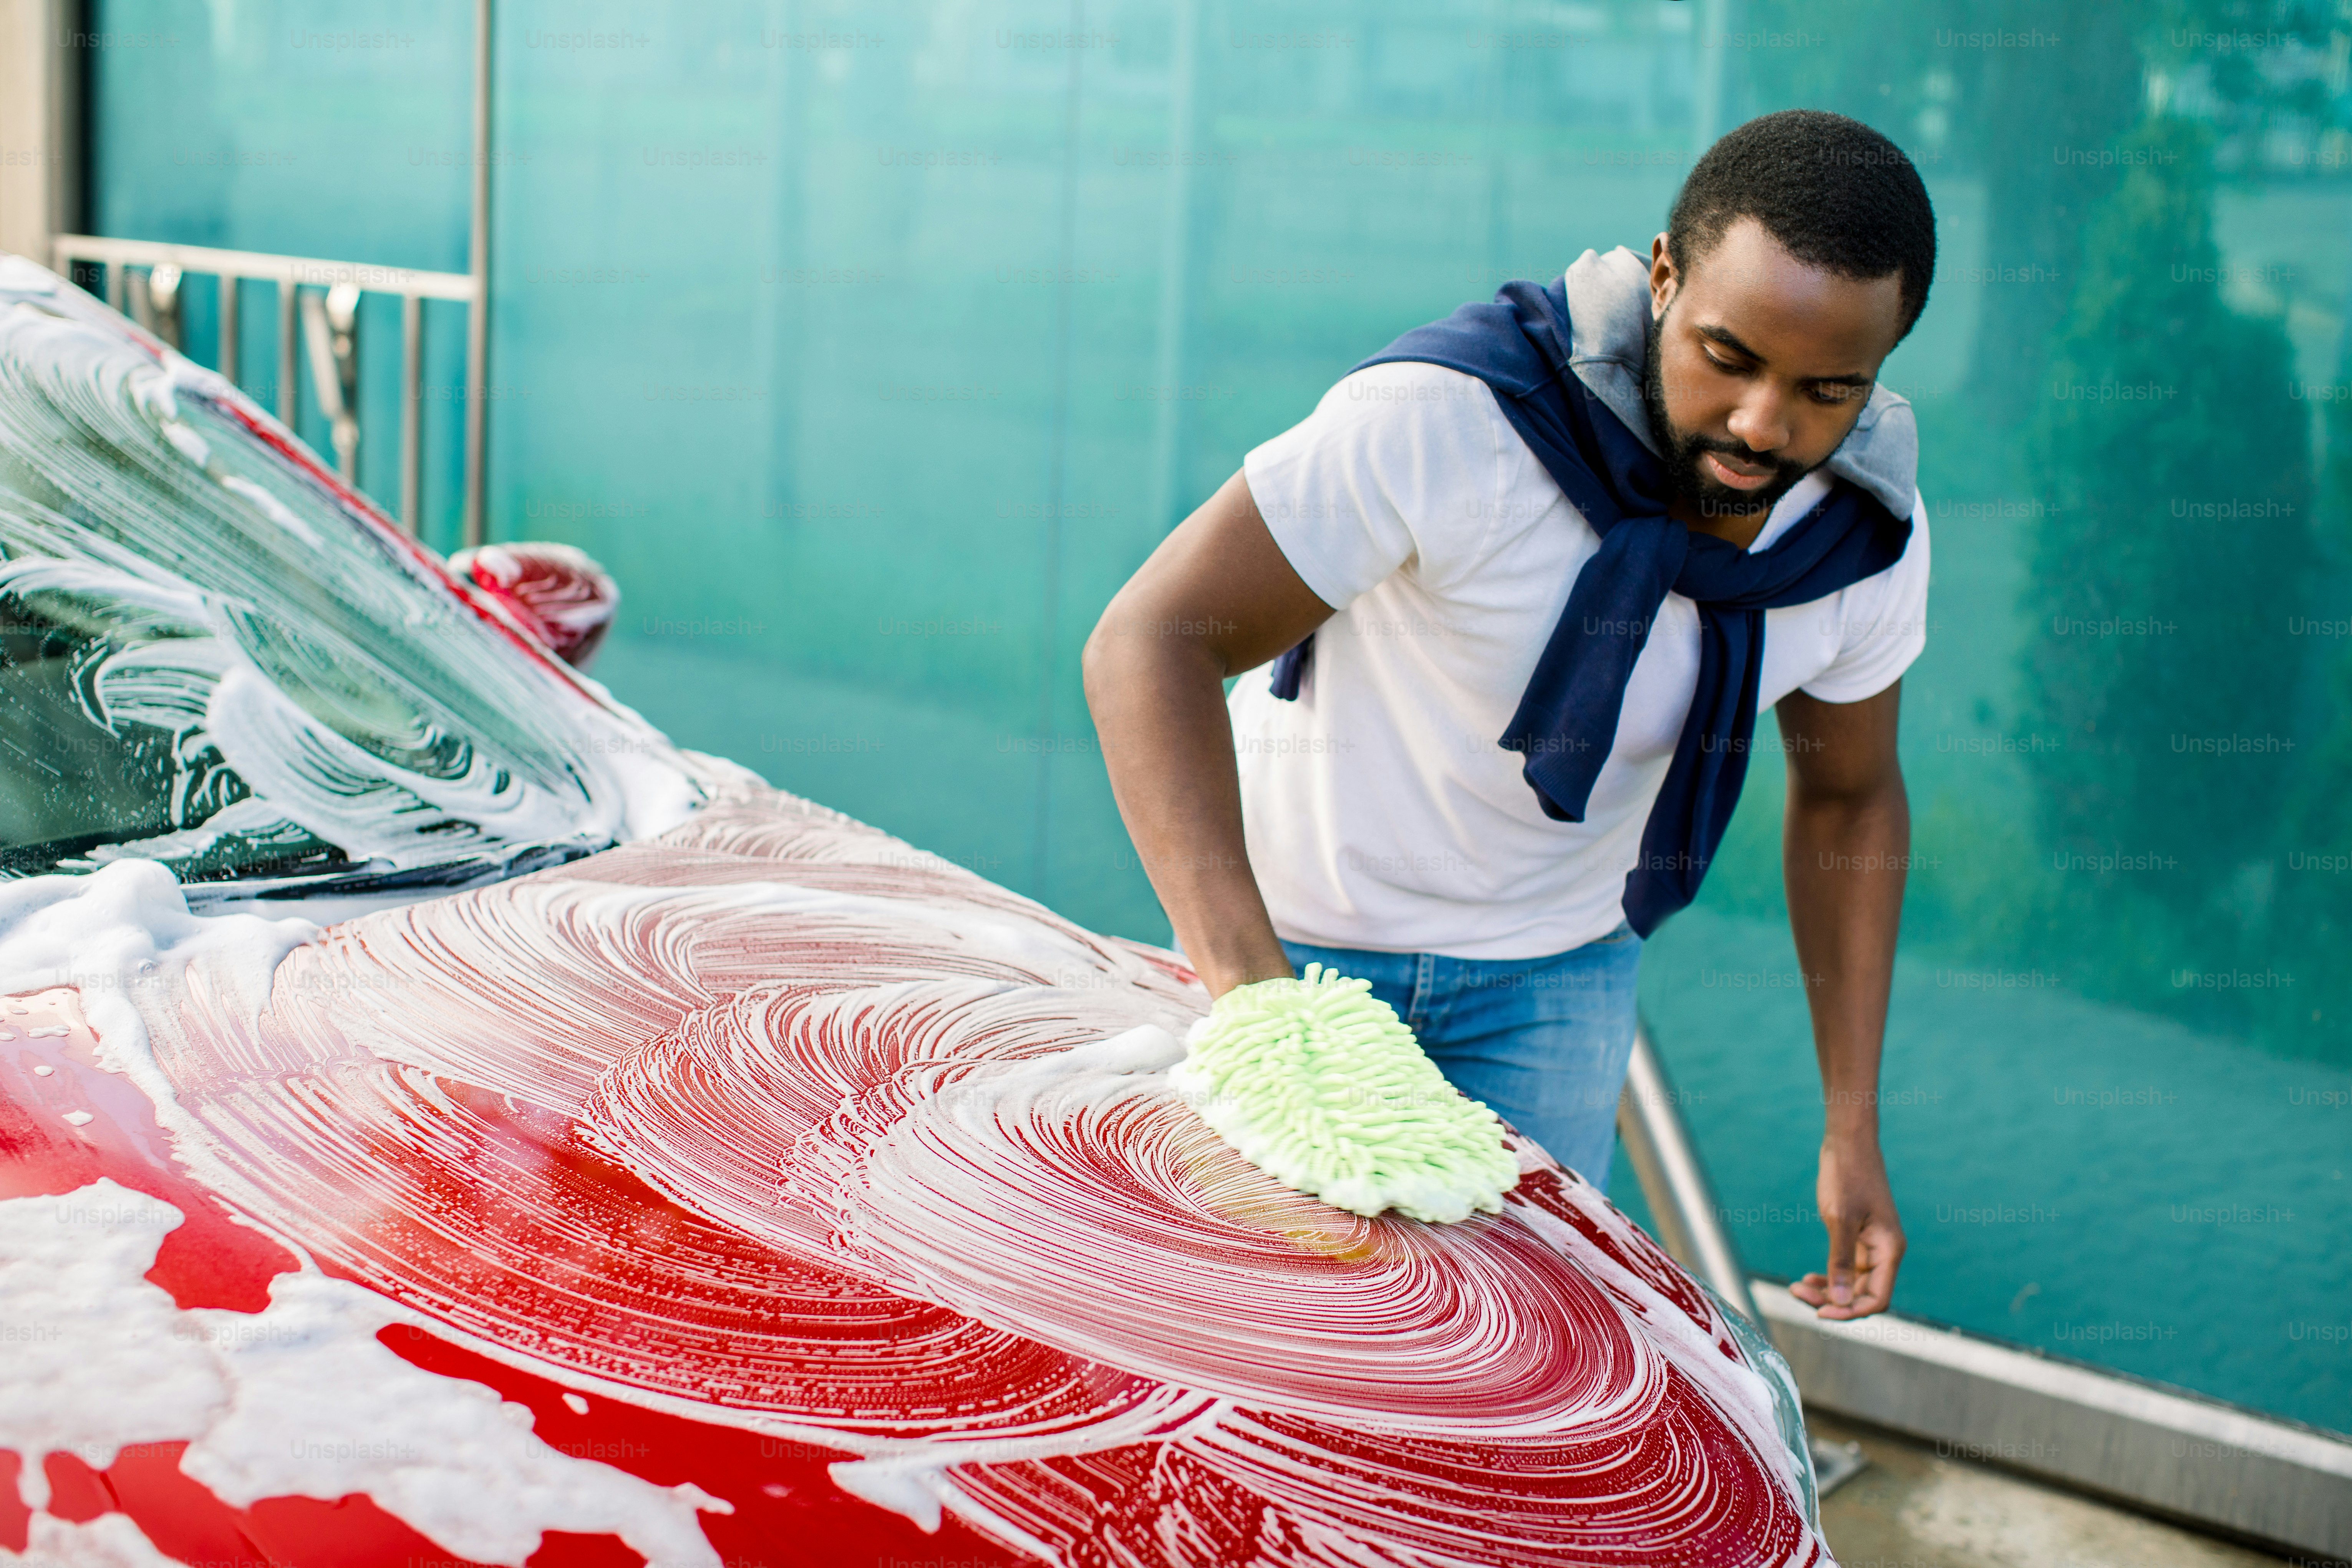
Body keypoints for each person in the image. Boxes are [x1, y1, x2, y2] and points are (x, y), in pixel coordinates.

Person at [1083, 109, 1934, 1321]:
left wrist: (1851, 1123)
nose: (1761, 424)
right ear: (1661, 277)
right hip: (1287, 948)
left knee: (1492, 1370)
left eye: (1825, 388)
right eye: (1726, 355)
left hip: (1555, 991)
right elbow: (1148, 643)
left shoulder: (1859, 538)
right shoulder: (1455, 416)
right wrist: (1260, 1010)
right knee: (1247, 1343)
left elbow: (1849, 793)